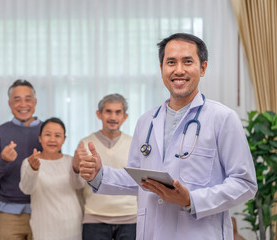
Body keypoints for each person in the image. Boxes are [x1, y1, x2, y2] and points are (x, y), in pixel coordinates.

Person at [78, 33, 257, 239]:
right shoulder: (146, 121)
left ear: (203, 68)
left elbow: (245, 183)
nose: (178, 70)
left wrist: (191, 199)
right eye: (171, 62)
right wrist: (99, 174)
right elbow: (139, 180)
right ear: (162, 69)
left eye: (187, 62)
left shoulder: (223, 118)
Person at [0, 79, 43, 240]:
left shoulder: (47, 132)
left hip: (42, 210)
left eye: (28, 99)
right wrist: (3, 159)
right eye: (17, 100)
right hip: (8, 213)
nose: (23, 104)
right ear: (10, 104)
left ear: (35, 102)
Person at [73, 94, 137, 240]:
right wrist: (76, 167)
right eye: (108, 111)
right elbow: (78, 184)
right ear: (99, 114)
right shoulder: (85, 144)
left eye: (118, 112)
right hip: (94, 218)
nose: (113, 117)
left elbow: (139, 181)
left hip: (130, 218)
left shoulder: (134, 144)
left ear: (125, 116)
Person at [19, 117, 84, 240]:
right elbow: (26, 189)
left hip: (72, 225)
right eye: (47, 134)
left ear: (64, 139)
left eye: (58, 135)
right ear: (40, 138)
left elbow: (79, 185)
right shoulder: (30, 162)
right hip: (44, 228)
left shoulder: (70, 160)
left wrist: (76, 167)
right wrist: (33, 169)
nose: (52, 140)